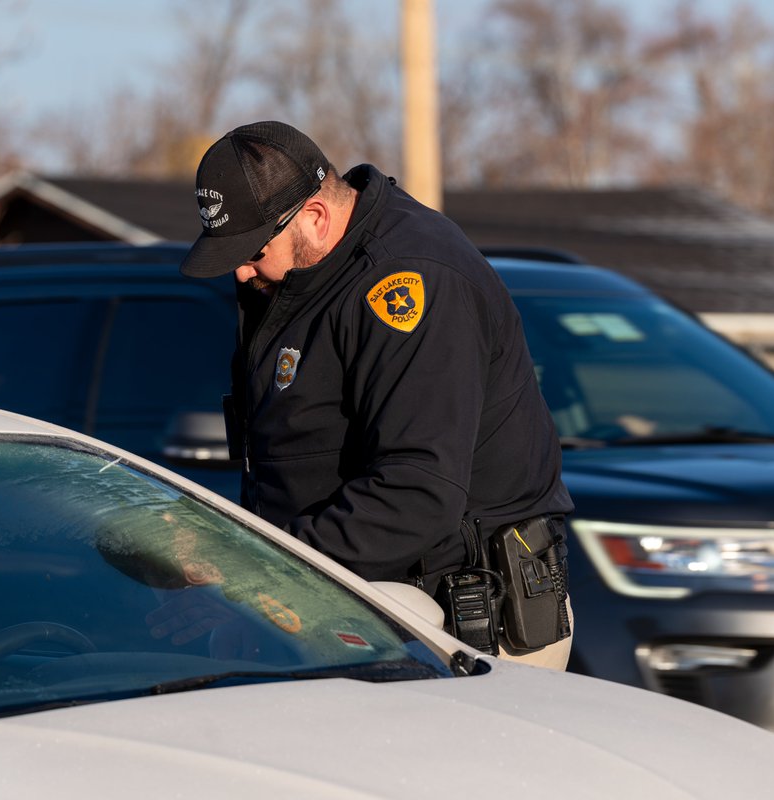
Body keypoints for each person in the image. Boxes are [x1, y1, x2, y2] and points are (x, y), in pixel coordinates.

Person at [180, 121, 574, 667]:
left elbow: (417, 492)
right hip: (352, 605)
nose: (243, 271)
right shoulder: (303, 275)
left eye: (252, 250)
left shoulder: (409, 280)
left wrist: (258, 566)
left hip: (460, 629)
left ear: (314, 217)